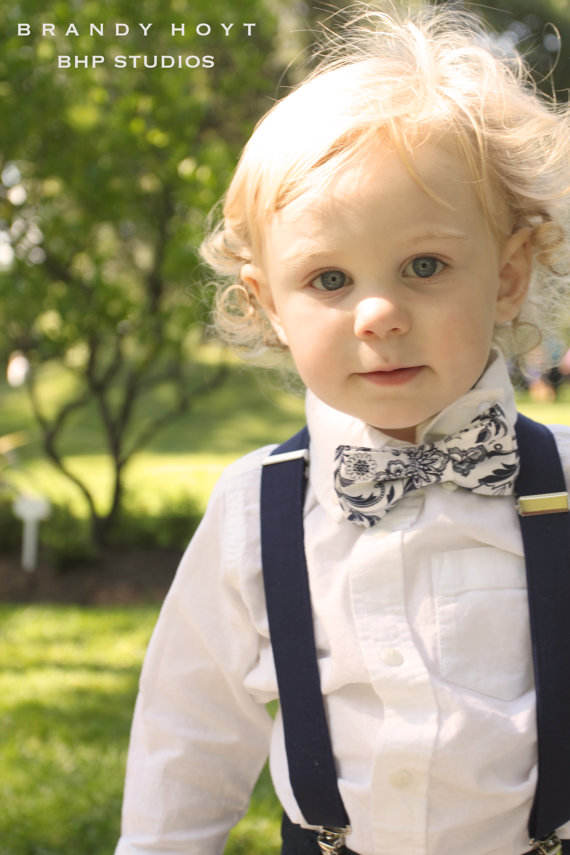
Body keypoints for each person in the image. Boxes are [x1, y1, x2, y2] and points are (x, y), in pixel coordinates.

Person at [114, 3, 570, 854]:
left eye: (424, 266)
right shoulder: (256, 509)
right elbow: (189, 729)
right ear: (267, 306)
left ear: (507, 278)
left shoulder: (565, 486)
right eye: (328, 278)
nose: (379, 313)